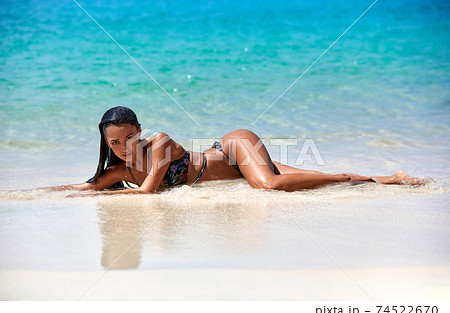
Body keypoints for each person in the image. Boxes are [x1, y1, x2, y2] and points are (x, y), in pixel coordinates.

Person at [40, 106, 428, 196]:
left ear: (139, 131)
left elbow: (148, 193)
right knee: (294, 182)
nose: (122, 148)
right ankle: (388, 179)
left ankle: (345, 176)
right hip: (241, 168)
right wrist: (26, 195)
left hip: (234, 146)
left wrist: (117, 189)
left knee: (271, 187)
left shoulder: (157, 143)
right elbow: (85, 187)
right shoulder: (119, 171)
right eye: (114, 143)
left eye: (127, 137)